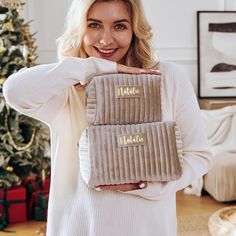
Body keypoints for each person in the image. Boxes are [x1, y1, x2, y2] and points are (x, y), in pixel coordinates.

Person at [3, 0, 212, 235]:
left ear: (134, 29)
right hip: (79, 227)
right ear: (80, 29)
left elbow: (199, 156)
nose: (106, 39)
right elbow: (14, 91)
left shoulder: (168, 78)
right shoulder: (67, 86)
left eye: (120, 26)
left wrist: (144, 185)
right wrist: (93, 67)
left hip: (147, 227)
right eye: (94, 25)